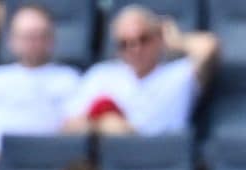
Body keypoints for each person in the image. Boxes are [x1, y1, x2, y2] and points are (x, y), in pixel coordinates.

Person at [66, 4, 219, 137]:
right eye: (124, 44)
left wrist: (176, 41)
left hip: (165, 156)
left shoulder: (178, 75)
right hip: (115, 160)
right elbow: (68, 125)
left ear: (159, 38)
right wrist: (99, 126)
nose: (135, 49)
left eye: (143, 39)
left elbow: (209, 47)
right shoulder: (101, 75)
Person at [0, 3, 82, 158]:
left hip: (46, 160)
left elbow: (76, 126)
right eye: (27, 36)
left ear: (51, 39)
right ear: (11, 40)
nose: (33, 43)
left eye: (39, 36)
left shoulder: (69, 79)